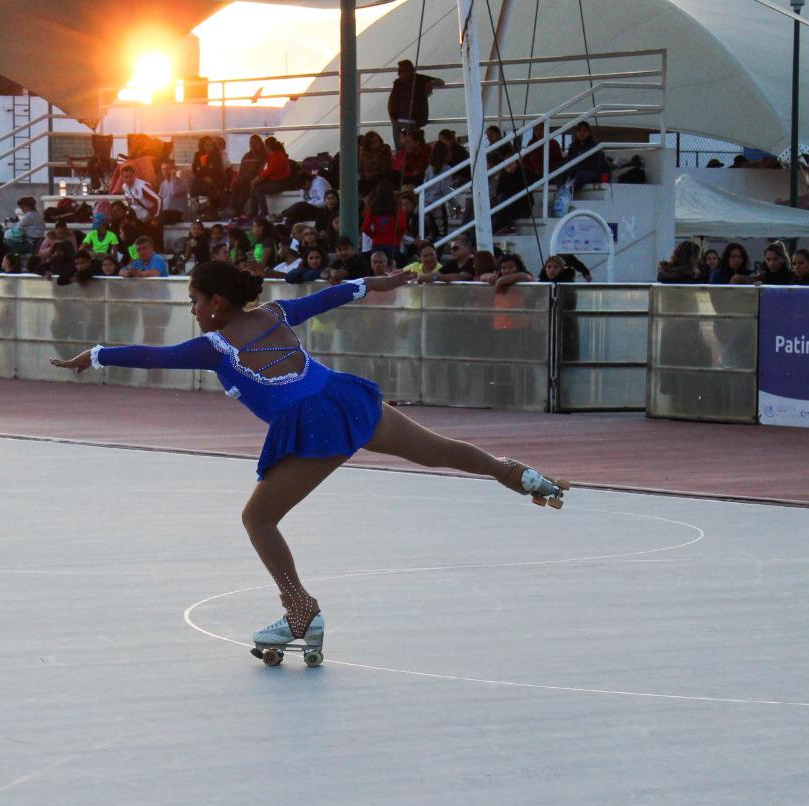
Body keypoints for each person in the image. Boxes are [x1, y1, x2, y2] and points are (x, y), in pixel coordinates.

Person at [49, 261, 570, 659]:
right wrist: (386, 280)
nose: (192, 308)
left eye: (195, 299)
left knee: (258, 518)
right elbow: (334, 295)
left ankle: (300, 612)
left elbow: (152, 356)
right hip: (347, 400)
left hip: (314, 423)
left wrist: (93, 355)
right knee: (440, 452)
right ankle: (522, 476)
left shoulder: (215, 345)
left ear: (220, 302)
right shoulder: (276, 312)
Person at [388, 59, 445, 150]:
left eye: (400, 71)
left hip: (413, 121)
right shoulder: (397, 83)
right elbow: (392, 100)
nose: (398, 73)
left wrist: (431, 83)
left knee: (413, 148)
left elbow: (441, 82)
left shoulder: (420, 79)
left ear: (409, 71)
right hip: (397, 121)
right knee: (399, 149)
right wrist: (392, 117)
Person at [249, 137, 292, 217]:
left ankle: (264, 212)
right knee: (254, 188)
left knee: (258, 189)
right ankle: (254, 212)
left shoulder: (277, 156)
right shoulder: (273, 156)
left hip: (280, 183)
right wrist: (257, 179)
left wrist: (256, 179)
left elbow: (269, 171)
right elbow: (266, 170)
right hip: (275, 181)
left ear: (268, 146)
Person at [560, 121, 610, 189]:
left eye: (584, 131)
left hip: (593, 172)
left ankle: (568, 192)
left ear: (589, 133)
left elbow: (595, 165)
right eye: (579, 130)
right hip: (576, 171)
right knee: (559, 174)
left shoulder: (594, 146)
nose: (581, 133)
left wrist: (575, 168)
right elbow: (569, 160)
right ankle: (561, 191)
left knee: (580, 175)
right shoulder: (573, 146)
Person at [190, 136, 227, 218]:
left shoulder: (217, 155)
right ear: (202, 145)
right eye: (207, 145)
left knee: (212, 187)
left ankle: (212, 212)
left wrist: (204, 170)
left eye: (211, 145)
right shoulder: (198, 155)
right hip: (202, 180)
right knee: (193, 183)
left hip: (216, 179)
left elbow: (216, 170)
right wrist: (204, 172)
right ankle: (196, 209)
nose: (209, 147)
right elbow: (195, 170)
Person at [230, 135, 267, 216]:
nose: (252, 144)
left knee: (244, 189)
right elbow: (241, 170)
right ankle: (232, 209)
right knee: (235, 187)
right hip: (244, 179)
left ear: (260, 143)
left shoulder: (263, 155)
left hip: (254, 180)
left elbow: (262, 170)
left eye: (255, 142)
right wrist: (238, 180)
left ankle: (237, 212)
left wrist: (250, 178)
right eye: (251, 142)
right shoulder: (247, 156)